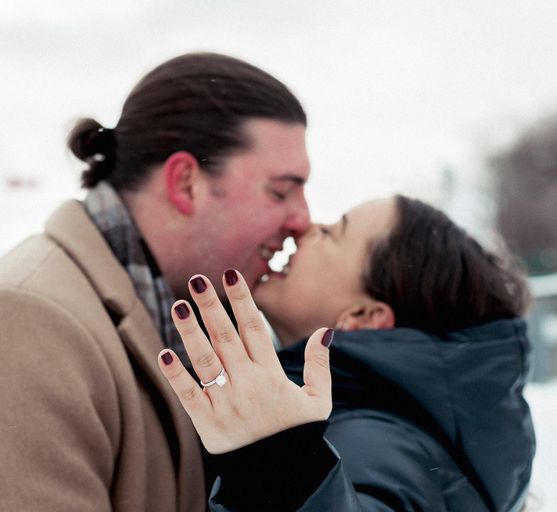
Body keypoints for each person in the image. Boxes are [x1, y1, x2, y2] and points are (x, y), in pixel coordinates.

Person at [0, 52, 311, 512]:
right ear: (186, 183)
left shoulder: (176, 327)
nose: (303, 219)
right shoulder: (18, 325)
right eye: (281, 191)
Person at [158, 195, 536, 512]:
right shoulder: (379, 419)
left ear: (362, 317)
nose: (304, 229)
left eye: (331, 233)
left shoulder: (377, 440)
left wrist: (280, 469)